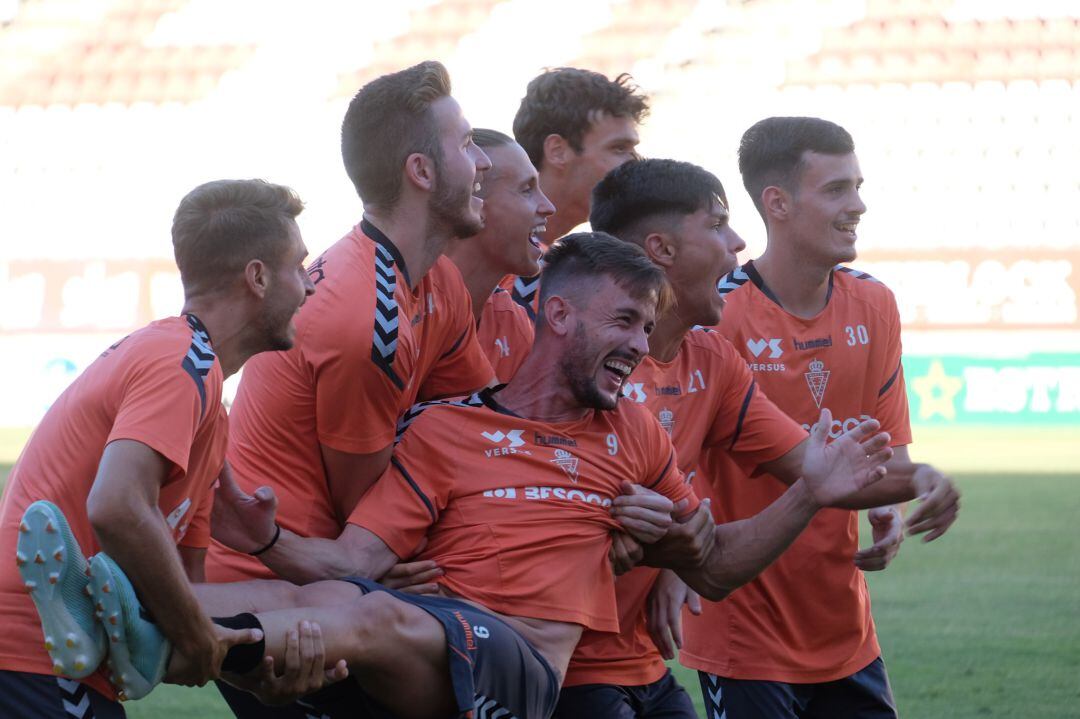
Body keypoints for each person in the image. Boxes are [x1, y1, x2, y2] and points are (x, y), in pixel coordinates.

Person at [26, 232, 894, 719]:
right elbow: (356, 559)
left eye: (648, 323)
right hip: (431, 637)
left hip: (518, 668)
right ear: (558, 314)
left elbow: (717, 561)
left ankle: (168, 636)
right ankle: (124, 615)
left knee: (366, 614)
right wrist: (273, 542)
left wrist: (806, 489)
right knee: (336, 602)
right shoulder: (447, 428)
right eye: (625, 320)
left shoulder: (631, 433)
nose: (640, 342)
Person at [554, 158, 959, 719]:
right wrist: (659, 539)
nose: (737, 243)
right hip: (563, 662)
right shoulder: (585, 366)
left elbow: (791, 482)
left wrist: (916, 477)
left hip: (644, 663)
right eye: (718, 226)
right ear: (662, 250)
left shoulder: (711, 358)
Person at [0, 179, 316, 717]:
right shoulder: (181, 361)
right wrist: (197, 641)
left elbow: (185, 598)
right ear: (257, 277)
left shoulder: (207, 399)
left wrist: (245, 674)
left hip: (74, 670)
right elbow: (117, 506)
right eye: (299, 266)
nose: (308, 287)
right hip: (34, 658)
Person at [680, 117, 960, 719]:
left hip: (845, 631)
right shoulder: (717, 316)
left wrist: (892, 497)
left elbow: (888, 460)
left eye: (857, 185)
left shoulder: (874, 303)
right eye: (836, 189)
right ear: (776, 203)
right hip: (744, 637)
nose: (857, 204)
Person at [206, 60, 494, 587]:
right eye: (469, 144)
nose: (483, 164)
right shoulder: (365, 321)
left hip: (335, 565)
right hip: (285, 585)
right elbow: (365, 520)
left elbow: (481, 423)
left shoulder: (437, 281)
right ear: (422, 173)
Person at [506, 67, 649, 316]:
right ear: (558, 151)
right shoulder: (499, 253)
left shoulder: (532, 254)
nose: (635, 162)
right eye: (618, 148)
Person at [443, 128, 554, 382]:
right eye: (527, 189)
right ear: (471, 205)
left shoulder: (511, 322)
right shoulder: (401, 311)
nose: (549, 207)